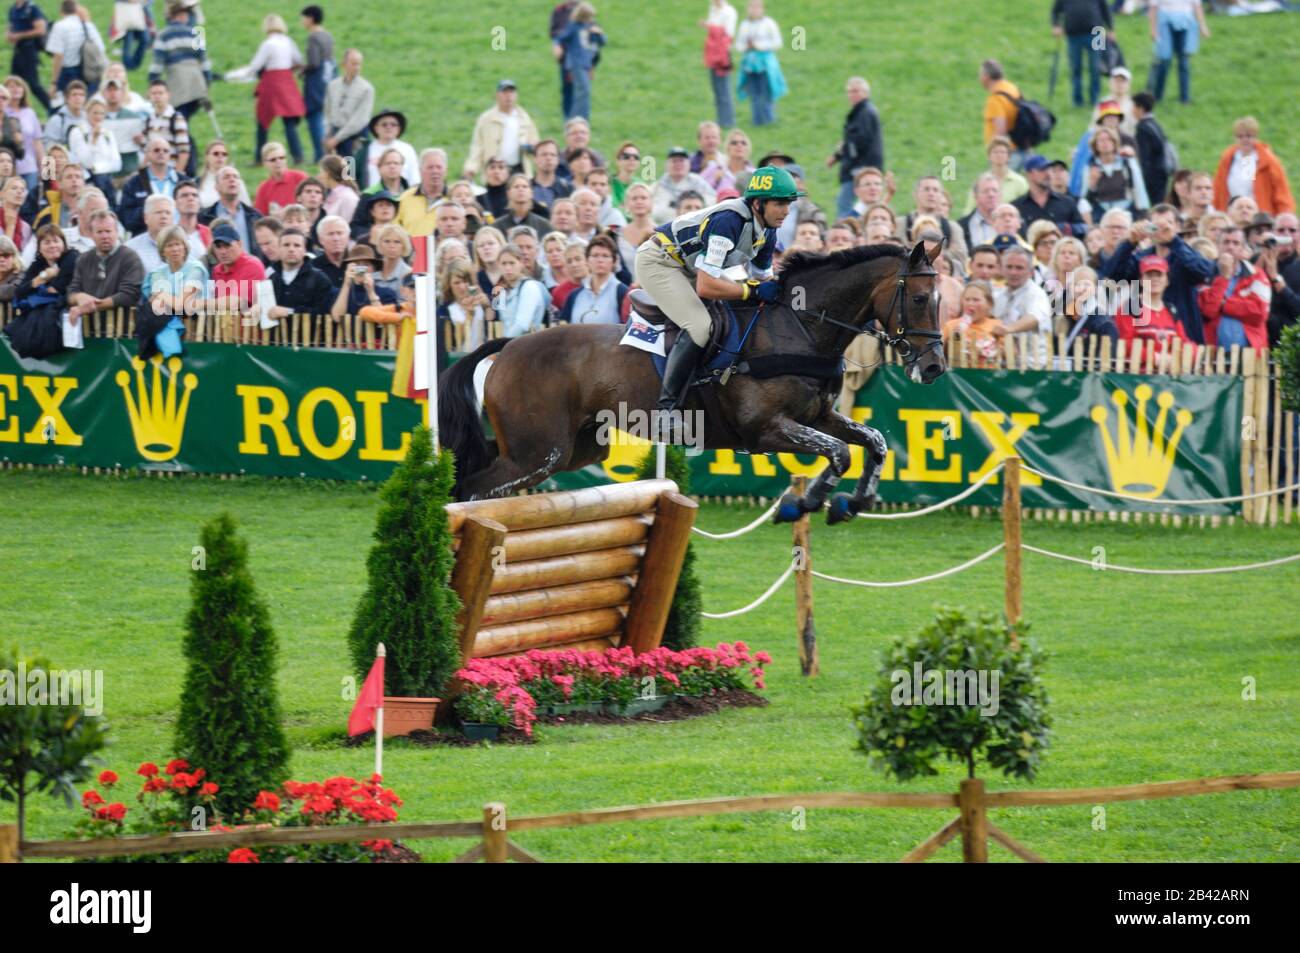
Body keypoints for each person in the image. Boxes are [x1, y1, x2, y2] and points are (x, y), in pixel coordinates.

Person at [635, 165, 794, 430]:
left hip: (689, 267)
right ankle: (665, 410)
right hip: (659, 262)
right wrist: (751, 290)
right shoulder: (730, 220)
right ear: (757, 203)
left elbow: (764, 279)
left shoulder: (768, 231)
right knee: (700, 326)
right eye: (780, 203)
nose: (786, 211)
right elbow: (707, 286)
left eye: (788, 203)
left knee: (740, 313)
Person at [1100, 202, 1216, 342]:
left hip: (1185, 334)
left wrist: (1174, 241)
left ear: (1178, 227)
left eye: (1168, 223)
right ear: (1148, 227)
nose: (1162, 229)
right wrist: (1129, 243)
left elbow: (1206, 271)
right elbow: (1112, 277)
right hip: (1147, 336)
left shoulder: (1186, 254)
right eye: (1156, 225)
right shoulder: (1142, 257)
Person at [237, 14, 305, 166]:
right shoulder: (288, 41)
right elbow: (298, 60)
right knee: (289, 123)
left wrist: (243, 75)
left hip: (271, 84)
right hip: (287, 82)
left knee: (262, 122)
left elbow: (255, 66)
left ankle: (259, 158)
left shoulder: (268, 44)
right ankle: (298, 155)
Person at [65, 209, 143, 326]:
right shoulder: (83, 259)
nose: (105, 236)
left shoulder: (130, 257)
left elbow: (130, 295)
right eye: (99, 232)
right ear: (91, 234)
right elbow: (71, 292)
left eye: (108, 231)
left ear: (117, 232)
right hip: (89, 329)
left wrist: (92, 306)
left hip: (122, 329)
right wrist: (79, 297)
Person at [1198, 226, 1270, 352]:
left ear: (1242, 248)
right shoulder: (1204, 272)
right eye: (1226, 242)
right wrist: (1224, 277)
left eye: (1235, 243)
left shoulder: (1257, 274)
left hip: (1251, 354)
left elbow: (1259, 312)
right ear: (1217, 246)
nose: (1230, 247)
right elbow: (1208, 310)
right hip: (1213, 353)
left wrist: (1224, 303)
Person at [140, 225, 205, 359]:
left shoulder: (196, 269)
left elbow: (180, 305)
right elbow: (157, 304)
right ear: (162, 251)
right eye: (169, 245)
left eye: (178, 244)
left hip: (199, 331)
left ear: (185, 247)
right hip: (164, 328)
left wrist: (160, 294)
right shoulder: (157, 273)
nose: (175, 249)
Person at [1212, 117, 1294, 218]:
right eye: (1240, 136)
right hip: (1232, 214)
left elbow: (1281, 192)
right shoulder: (1228, 159)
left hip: (1260, 216)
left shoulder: (1268, 161)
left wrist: (1285, 215)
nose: (1245, 140)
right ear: (1235, 138)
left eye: (1249, 136)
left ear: (1256, 137)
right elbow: (1217, 189)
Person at [1117, 255, 1192, 361]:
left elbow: (1183, 341)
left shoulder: (1171, 310)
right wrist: (1156, 358)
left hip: (1169, 374)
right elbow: (1125, 343)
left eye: (1159, 275)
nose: (1154, 279)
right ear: (1141, 280)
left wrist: (1191, 353)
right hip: (1137, 375)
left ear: (1167, 280)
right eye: (1149, 275)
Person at [828, 76, 883, 220]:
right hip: (860, 167)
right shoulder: (862, 112)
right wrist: (838, 155)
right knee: (862, 205)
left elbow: (860, 141)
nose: (852, 95)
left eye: (856, 91)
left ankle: (845, 232)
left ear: (866, 93)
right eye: (850, 92)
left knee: (844, 203)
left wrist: (842, 150)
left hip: (859, 169)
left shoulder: (865, 113)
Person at [464, 79, 539, 181]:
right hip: (495, 171)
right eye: (504, 92)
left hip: (519, 170)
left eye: (511, 92)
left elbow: (536, 143)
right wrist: (471, 168)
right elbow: (477, 146)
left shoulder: (524, 118)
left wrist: (531, 147)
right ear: (497, 95)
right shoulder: (486, 119)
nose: (508, 96)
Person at [149, 1, 210, 121]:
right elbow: (205, 62)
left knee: (177, 121)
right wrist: (207, 81)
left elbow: (157, 65)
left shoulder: (163, 36)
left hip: (178, 82)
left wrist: (153, 81)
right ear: (182, 15)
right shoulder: (196, 34)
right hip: (197, 83)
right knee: (181, 121)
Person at [992, 244, 1053, 366]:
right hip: (1006, 365)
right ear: (1001, 269)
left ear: (1030, 272)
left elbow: (1035, 318)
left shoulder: (1037, 294)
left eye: (1019, 268)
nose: (1013, 272)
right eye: (1009, 267)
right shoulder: (999, 295)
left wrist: (1009, 329)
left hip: (1032, 368)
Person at [1051, 0, 1113, 108]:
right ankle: (1077, 101)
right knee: (1076, 68)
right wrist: (1056, 25)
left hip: (1097, 32)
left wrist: (1111, 28)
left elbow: (1105, 9)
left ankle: (1095, 99)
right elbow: (1055, 11)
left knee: (1095, 67)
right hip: (1073, 34)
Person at [1147, 0, 1209, 106]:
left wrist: (1202, 26)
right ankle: (1157, 96)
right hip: (1164, 22)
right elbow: (1153, 8)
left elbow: (1197, 6)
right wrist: (1153, 29)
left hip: (1185, 22)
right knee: (1164, 60)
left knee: (1183, 62)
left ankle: (1185, 98)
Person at [558, 232, 627, 324]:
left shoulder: (622, 293)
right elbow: (563, 328)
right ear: (587, 260)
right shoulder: (574, 295)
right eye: (595, 255)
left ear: (614, 261)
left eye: (605, 256)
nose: (600, 260)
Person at [733, 0, 783, 127]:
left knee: (766, 93)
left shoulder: (769, 23)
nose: (754, 10)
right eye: (751, 7)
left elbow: (777, 43)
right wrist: (746, 47)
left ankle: (769, 119)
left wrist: (760, 46)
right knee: (754, 94)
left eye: (757, 7)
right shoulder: (744, 25)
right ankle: (756, 120)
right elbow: (738, 44)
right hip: (750, 65)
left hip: (765, 64)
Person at [552, 2, 604, 122]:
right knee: (581, 91)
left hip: (587, 64)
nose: (591, 19)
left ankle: (580, 120)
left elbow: (601, 41)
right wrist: (556, 46)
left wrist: (598, 33)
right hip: (574, 63)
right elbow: (559, 37)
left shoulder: (590, 25)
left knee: (584, 92)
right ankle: (576, 120)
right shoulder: (571, 23)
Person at [266, 226, 333, 317]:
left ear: (304, 250)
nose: (291, 249)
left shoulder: (319, 279)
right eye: (286, 245)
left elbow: (325, 313)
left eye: (297, 245)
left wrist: (290, 312)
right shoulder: (270, 278)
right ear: (279, 249)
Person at [116, 135, 177, 235]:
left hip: (177, 237)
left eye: (165, 151)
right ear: (147, 154)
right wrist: (149, 210)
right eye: (156, 150)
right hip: (145, 236)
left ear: (170, 155)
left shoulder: (181, 181)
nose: (161, 153)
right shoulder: (133, 183)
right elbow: (126, 219)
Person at [1014, 155, 1086, 237]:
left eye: (1048, 169)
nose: (1048, 173)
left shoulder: (1067, 202)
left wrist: (1066, 228)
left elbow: (1083, 228)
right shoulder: (1018, 207)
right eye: (1042, 170)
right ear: (1029, 174)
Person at [322, 47, 372, 162]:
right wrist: (328, 135)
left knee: (350, 174)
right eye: (354, 64)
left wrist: (337, 139)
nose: (357, 68)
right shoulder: (333, 86)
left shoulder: (366, 89)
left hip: (354, 137)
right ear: (344, 65)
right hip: (334, 135)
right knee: (335, 172)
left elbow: (359, 119)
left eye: (359, 64)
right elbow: (328, 112)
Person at [207, 221, 267, 314]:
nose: (223, 251)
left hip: (249, 326)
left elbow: (236, 303)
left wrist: (200, 303)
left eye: (227, 245)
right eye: (218, 247)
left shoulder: (253, 266)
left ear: (239, 244)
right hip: (224, 326)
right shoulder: (217, 270)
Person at [1085, 126, 1148, 215]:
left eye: (1109, 140)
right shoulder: (1091, 166)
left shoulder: (1127, 163)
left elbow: (1139, 188)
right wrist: (1092, 185)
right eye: (1101, 140)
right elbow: (1084, 198)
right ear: (1095, 145)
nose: (1105, 143)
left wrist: (1142, 212)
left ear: (1115, 143)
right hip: (1101, 212)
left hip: (1126, 210)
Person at [298, 5, 334, 164]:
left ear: (310, 19)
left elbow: (313, 62)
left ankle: (320, 155)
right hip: (328, 79)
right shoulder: (328, 35)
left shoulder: (313, 37)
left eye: (303, 18)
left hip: (315, 82)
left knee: (314, 117)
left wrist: (302, 70)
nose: (302, 21)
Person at [904, 175, 967, 263]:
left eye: (935, 190)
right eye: (926, 189)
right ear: (915, 194)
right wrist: (943, 252)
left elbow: (961, 257)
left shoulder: (953, 227)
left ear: (941, 195)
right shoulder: (902, 224)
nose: (931, 193)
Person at [491, 241, 548, 336]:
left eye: (512, 263)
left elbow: (522, 325)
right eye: (504, 263)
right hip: (508, 345)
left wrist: (502, 346)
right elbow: (500, 321)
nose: (508, 268)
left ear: (521, 263)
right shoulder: (501, 290)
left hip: (527, 345)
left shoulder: (529, 287)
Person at [944, 280, 1002, 368]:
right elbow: (937, 352)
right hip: (960, 377)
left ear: (989, 304)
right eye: (967, 299)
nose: (970, 303)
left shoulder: (997, 325)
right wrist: (953, 339)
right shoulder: (951, 325)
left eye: (976, 300)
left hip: (990, 377)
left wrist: (987, 350)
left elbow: (1011, 354)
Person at [1130, 92, 1173, 212]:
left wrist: (1142, 181)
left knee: (1153, 210)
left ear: (1141, 108)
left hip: (1152, 179)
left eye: (1134, 107)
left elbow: (1145, 158)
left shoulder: (1142, 129)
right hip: (1162, 174)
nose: (1132, 110)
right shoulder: (1155, 125)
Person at [652, 146, 716, 224]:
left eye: (681, 161)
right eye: (674, 161)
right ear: (667, 164)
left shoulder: (698, 182)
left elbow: (712, 202)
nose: (678, 164)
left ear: (689, 164)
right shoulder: (658, 186)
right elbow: (653, 212)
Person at [1262, 212, 1299, 345]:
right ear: (1273, 233)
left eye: (1292, 230)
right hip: (1261, 340)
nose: (1286, 234)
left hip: (1291, 344)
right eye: (1281, 230)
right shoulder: (1260, 260)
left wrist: (1276, 280)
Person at [198, 165, 259, 247]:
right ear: (216, 187)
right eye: (226, 177)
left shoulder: (255, 216)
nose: (232, 179)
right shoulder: (204, 217)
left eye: (236, 177)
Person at [395, 147, 448, 238]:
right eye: (430, 167)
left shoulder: (453, 198)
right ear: (420, 171)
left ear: (445, 171)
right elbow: (394, 229)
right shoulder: (405, 198)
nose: (435, 171)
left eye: (439, 167)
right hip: (412, 251)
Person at [144, 79, 191, 176]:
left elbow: (184, 151)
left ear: (168, 95)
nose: (157, 96)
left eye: (160, 93)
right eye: (154, 93)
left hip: (171, 170)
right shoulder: (149, 119)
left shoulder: (176, 118)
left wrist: (177, 174)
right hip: (152, 172)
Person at [980, 59, 1022, 166]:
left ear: (986, 77)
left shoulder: (995, 98)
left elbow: (1000, 130)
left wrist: (996, 154)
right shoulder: (1011, 88)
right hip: (1020, 146)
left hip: (1008, 153)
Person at [702, 0, 736, 129]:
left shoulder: (729, 12)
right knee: (717, 89)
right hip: (712, 53)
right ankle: (721, 119)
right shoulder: (713, 10)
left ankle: (727, 121)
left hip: (722, 54)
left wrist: (708, 26)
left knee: (723, 89)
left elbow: (726, 33)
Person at [125, 193, 180, 272]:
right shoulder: (131, 249)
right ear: (146, 218)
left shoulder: (184, 245)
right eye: (159, 212)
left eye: (168, 213)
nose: (164, 216)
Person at [2, 75, 40, 188]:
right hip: (7, 167)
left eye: (19, 86)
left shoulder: (30, 113)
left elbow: (38, 143)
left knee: (30, 202)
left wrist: (46, 171)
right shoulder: (4, 112)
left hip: (29, 166)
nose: (15, 89)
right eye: (11, 87)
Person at [253, 140, 307, 216]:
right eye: (273, 160)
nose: (278, 162)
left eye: (282, 158)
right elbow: (260, 217)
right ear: (265, 164)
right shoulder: (263, 188)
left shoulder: (300, 178)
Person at [197, 140, 249, 207]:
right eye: (216, 153)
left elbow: (247, 207)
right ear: (207, 156)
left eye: (224, 154)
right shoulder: (197, 182)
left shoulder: (236, 181)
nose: (220, 156)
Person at [549, 0, 578, 119]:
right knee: (567, 89)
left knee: (580, 91)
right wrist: (558, 42)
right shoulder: (559, 10)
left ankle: (580, 122)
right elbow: (553, 32)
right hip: (565, 56)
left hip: (580, 56)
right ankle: (568, 120)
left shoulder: (583, 8)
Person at [41, 75, 86, 146]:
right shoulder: (57, 120)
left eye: (81, 95)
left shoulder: (88, 119)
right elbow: (49, 146)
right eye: (74, 95)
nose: (78, 98)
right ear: (66, 98)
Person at [961, 173, 1002, 249]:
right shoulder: (962, 226)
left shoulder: (1013, 223)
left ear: (1000, 195)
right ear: (976, 196)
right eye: (986, 191)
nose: (991, 195)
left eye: (995, 190)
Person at [530, 138, 571, 212]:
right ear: (534, 159)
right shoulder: (526, 187)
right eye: (544, 154)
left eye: (553, 155)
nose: (549, 158)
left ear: (558, 159)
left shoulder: (567, 189)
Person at [311, 214, 349, 287]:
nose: (336, 238)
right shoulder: (312, 268)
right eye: (330, 234)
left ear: (347, 237)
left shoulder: (357, 263)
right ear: (320, 239)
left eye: (339, 233)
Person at [318, 154, 358, 223]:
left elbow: (349, 225)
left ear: (327, 173)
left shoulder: (347, 196)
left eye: (321, 172)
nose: (319, 176)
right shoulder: (333, 194)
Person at [172, 176, 207, 256]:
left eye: (195, 195)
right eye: (184, 195)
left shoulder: (208, 233)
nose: (191, 198)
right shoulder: (169, 234)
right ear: (175, 203)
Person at [471, 224, 505, 296]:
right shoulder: (474, 280)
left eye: (491, 243)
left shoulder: (511, 274)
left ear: (501, 246)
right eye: (481, 245)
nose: (486, 248)